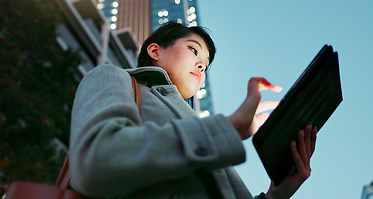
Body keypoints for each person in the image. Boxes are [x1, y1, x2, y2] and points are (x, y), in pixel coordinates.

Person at [69, 22, 317, 199]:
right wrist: (231, 127)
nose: (201, 64)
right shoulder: (113, 76)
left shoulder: (200, 127)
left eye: (206, 64)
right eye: (193, 49)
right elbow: (95, 163)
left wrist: (278, 193)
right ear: (155, 51)